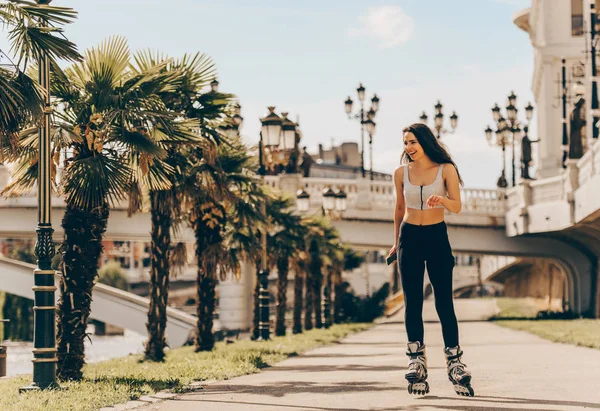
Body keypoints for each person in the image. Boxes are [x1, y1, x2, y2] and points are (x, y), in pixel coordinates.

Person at [387, 123, 474, 397]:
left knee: (443, 302)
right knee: (412, 302)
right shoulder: (400, 173)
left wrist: (443, 201)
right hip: (409, 237)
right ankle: (416, 359)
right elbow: (399, 208)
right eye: (405, 143)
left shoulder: (445, 169)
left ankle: (455, 362)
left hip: (437, 237)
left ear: (424, 141)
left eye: (413, 142)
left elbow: (457, 206)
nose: (409, 148)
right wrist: (395, 241)